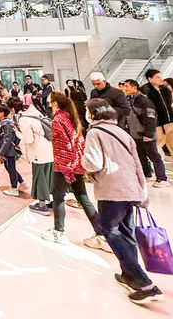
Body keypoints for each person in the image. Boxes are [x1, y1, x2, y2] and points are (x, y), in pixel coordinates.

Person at [81, 99, 163, 305]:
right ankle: (127, 274)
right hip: (131, 189)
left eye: (86, 111)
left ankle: (144, 284)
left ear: (93, 113)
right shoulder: (123, 133)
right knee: (127, 232)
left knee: (112, 232)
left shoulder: (94, 132)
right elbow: (138, 164)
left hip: (112, 191)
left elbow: (93, 162)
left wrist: (81, 161)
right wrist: (143, 193)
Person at [41, 91, 104, 247]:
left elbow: (64, 145)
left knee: (58, 197)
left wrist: (66, 165)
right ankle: (102, 232)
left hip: (64, 166)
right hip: (76, 164)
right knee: (83, 197)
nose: (48, 105)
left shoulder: (58, 120)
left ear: (55, 103)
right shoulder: (70, 117)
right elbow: (77, 141)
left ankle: (59, 231)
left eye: (50, 102)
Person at [122, 79, 168, 187]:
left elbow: (150, 118)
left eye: (127, 86)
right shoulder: (127, 100)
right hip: (134, 135)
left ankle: (162, 178)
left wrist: (148, 134)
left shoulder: (144, 101)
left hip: (146, 135)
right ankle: (147, 174)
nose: (124, 88)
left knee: (154, 157)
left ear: (134, 88)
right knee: (140, 156)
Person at [18, 96, 54, 215]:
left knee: (40, 177)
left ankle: (42, 205)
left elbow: (28, 139)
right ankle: (54, 201)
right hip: (48, 149)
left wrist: (18, 135)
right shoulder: (39, 115)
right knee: (49, 175)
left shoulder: (24, 119)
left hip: (38, 152)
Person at [140, 68, 173, 157]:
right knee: (160, 140)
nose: (161, 79)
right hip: (156, 121)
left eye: (160, 77)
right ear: (150, 79)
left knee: (171, 141)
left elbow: (169, 102)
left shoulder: (165, 89)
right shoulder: (146, 90)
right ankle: (152, 158)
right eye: (158, 77)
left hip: (169, 118)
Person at [0, 105, 23, 196]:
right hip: (8, 150)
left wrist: (1, 152)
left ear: (2, 113)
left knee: (11, 168)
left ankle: (14, 188)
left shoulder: (6, 124)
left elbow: (8, 140)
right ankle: (20, 180)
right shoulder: (4, 123)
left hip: (9, 151)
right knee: (10, 167)